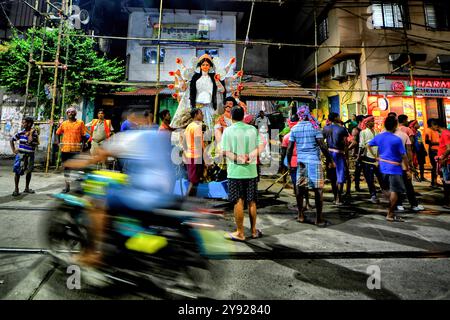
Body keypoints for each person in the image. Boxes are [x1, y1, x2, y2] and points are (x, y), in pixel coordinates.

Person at [64, 109, 175, 266]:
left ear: (134, 119)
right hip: (167, 192)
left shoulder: (132, 136)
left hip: (145, 194)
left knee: (98, 203)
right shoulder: (161, 135)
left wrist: (75, 163)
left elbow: (100, 154)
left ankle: (95, 253)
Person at [221, 106, 265, 241]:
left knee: (238, 201)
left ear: (232, 117)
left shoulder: (228, 131)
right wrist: (250, 156)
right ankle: (253, 231)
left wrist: (238, 158)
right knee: (252, 201)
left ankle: (240, 232)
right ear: (243, 116)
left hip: (235, 173)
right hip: (251, 172)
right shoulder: (252, 129)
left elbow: (224, 151)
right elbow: (261, 145)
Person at [287, 105, 335, 227]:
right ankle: (318, 219)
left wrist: (288, 164)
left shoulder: (295, 129)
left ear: (299, 116)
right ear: (308, 114)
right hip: (314, 162)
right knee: (318, 190)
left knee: (300, 188)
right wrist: (330, 160)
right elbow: (322, 146)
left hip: (301, 162)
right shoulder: (315, 127)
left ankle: (300, 215)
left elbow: (289, 148)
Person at [368, 116, 411, 222]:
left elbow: (368, 145)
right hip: (394, 168)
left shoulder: (379, 136)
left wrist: (375, 156)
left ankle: (389, 204)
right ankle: (390, 214)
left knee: (386, 189)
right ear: (395, 126)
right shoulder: (396, 139)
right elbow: (403, 156)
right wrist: (408, 169)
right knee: (395, 191)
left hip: (382, 166)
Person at [394, 120, 424, 212]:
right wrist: (410, 164)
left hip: (391, 164)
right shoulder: (404, 134)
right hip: (403, 163)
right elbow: (409, 150)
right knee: (408, 185)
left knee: (396, 185)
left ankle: (399, 204)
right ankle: (413, 204)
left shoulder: (385, 134)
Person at [56, 106, 88, 193]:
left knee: (78, 169)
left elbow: (85, 135)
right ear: (67, 114)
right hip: (65, 149)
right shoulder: (64, 123)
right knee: (67, 169)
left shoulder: (80, 123)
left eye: (72, 112)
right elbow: (58, 133)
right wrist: (59, 143)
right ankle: (67, 187)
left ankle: (79, 187)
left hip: (76, 149)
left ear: (75, 113)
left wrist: (83, 145)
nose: (71, 113)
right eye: (69, 112)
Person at [323, 112, 349, 205]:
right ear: (335, 118)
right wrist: (347, 157)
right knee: (340, 176)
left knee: (333, 177)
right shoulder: (342, 129)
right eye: (338, 116)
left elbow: (322, 142)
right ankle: (339, 198)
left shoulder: (325, 128)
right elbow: (345, 143)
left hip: (329, 154)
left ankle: (335, 197)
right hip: (339, 154)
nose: (339, 117)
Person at [358, 116, 386, 204]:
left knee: (381, 177)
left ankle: (385, 192)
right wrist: (359, 156)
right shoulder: (363, 132)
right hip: (368, 157)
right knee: (369, 178)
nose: (373, 122)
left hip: (378, 157)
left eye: (373, 121)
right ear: (366, 123)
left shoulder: (377, 132)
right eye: (371, 121)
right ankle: (373, 195)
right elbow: (361, 145)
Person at [10, 117, 39, 197]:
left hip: (30, 155)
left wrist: (30, 133)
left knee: (29, 171)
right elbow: (12, 139)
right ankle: (16, 189)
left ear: (29, 124)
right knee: (17, 171)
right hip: (21, 154)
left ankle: (26, 188)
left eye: (24, 123)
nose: (22, 124)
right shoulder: (21, 132)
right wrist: (13, 150)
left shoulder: (34, 133)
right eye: (22, 123)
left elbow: (30, 141)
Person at [183, 108, 205, 197]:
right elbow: (199, 143)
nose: (202, 115)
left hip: (190, 156)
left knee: (194, 181)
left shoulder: (189, 126)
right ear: (196, 115)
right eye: (201, 113)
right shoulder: (196, 126)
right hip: (195, 156)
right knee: (193, 181)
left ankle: (191, 201)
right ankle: (186, 202)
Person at [424, 118, 441, 187]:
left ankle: (435, 181)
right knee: (435, 167)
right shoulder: (428, 130)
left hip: (437, 150)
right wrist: (440, 143)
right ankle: (433, 182)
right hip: (433, 151)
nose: (437, 127)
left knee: (437, 167)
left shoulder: (435, 131)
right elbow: (427, 141)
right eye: (436, 125)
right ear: (432, 124)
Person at [437, 123, 450, 209]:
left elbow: (449, 148)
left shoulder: (445, 134)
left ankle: (448, 202)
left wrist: (442, 157)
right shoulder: (447, 133)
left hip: (447, 161)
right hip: (446, 161)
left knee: (447, 182)